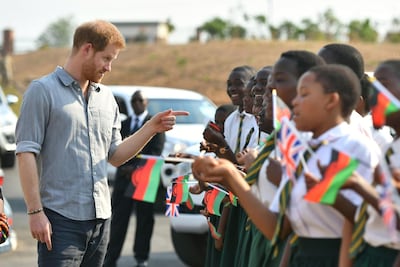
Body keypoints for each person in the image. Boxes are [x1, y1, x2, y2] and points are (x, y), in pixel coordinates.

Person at [15, 20, 188, 267]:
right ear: (87, 49)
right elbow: (25, 154)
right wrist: (34, 212)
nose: (109, 68)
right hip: (60, 221)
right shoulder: (42, 91)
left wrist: (151, 128)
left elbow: (115, 156)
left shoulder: (106, 98)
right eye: (106, 58)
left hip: (101, 221)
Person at [192, 64, 379, 267]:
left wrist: (322, 190)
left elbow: (357, 222)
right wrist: (230, 176)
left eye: (304, 94)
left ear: (331, 100)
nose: (294, 102)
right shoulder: (308, 147)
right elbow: (282, 228)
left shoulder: (349, 146)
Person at [103, 90, 166, 267]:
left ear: (146, 102)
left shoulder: (155, 124)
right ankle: (111, 257)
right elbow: (115, 148)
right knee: (118, 220)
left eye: (140, 100)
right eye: (133, 100)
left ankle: (141, 258)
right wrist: (124, 167)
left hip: (145, 178)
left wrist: (135, 168)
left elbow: (156, 151)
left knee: (144, 220)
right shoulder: (124, 124)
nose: (136, 103)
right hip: (124, 178)